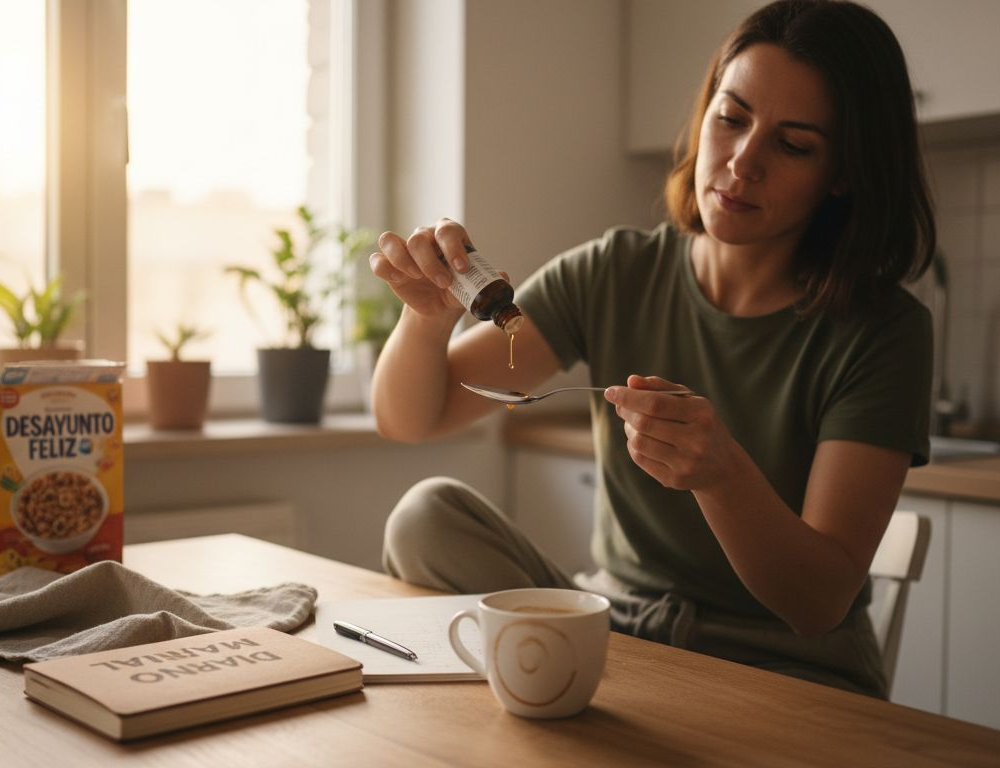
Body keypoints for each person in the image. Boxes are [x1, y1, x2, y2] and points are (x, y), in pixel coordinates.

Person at [365, 0, 934, 699]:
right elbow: (411, 418)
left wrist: (723, 475)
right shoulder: (614, 272)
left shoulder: (883, 331)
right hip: (620, 636)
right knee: (428, 517)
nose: (742, 160)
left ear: (842, 172)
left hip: (787, 669)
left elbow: (817, 606)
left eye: (793, 145)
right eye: (731, 118)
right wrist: (426, 320)